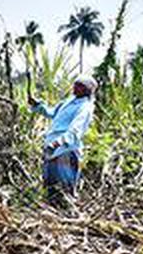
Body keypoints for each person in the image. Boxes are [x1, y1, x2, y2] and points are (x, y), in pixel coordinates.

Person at [29, 76, 97, 204]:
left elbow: (75, 130)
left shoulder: (85, 107)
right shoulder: (69, 101)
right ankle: (52, 216)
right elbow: (53, 113)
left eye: (80, 86)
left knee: (64, 188)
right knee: (50, 186)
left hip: (66, 150)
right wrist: (38, 106)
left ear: (87, 90)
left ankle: (68, 215)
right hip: (52, 147)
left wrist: (58, 142)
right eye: (75, 84)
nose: (75, 87)